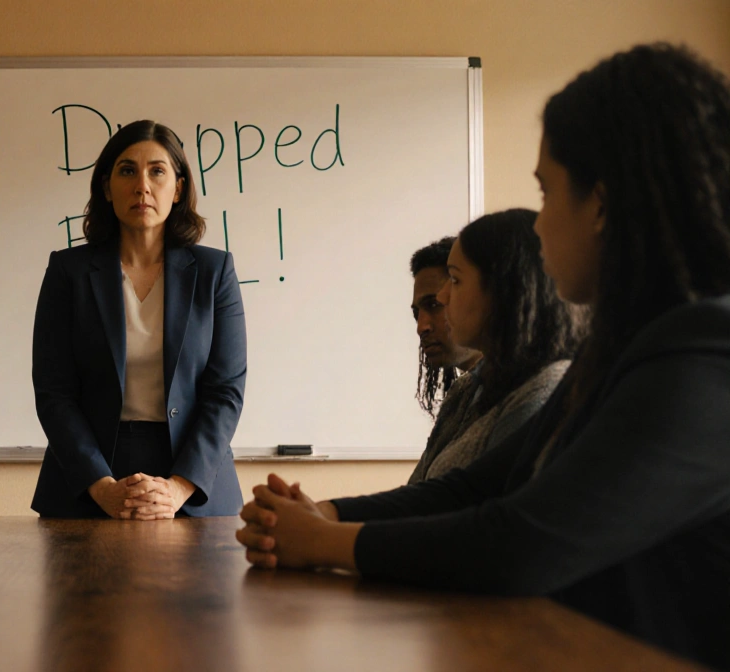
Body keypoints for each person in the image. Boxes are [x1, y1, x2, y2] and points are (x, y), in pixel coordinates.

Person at [237, 43, 730, 670]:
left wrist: (327, 541)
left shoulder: (706, 357)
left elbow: (524, 541)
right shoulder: (622, 347)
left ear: (602, 205)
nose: (540, 226)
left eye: (547, 195)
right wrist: (319, 514)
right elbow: (476, 486)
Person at [31, 120, 248, 519]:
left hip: (194, 485)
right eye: (127, 170)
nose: (142, 185)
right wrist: (103, 487)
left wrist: (178, 487)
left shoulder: (215, 271)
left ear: (178, 188)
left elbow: (225, 392)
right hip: (87, 485)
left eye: (157, 171)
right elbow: (54, 392)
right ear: (106, 186)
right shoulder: (68, 272)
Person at [407, 209, 585, 483]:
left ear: (506, 289)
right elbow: (420, 492)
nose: (422, 326)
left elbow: (482, 504)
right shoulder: (464, 391)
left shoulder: (545, 389)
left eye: (454, 281)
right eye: (417, 312)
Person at [409, 236, 481, 416]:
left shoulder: (521, 395)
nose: (421, 327)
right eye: (416, 313)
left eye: (434, 305)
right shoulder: (463, 402)